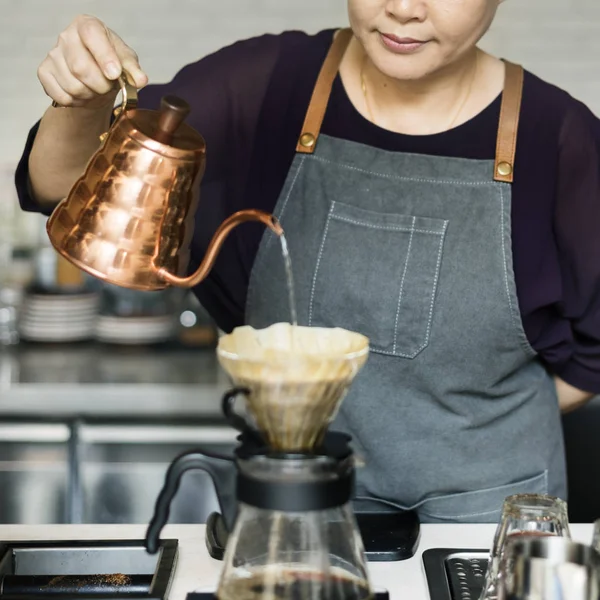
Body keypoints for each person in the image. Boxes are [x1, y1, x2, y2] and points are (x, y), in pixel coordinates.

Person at [14, 1, 600, 523]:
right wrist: (81, 102)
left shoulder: (559, 138)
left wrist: (475, 427)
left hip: (491, 525)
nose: (403, 9)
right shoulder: (268, 87)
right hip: (295, 514)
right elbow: (63, 187)